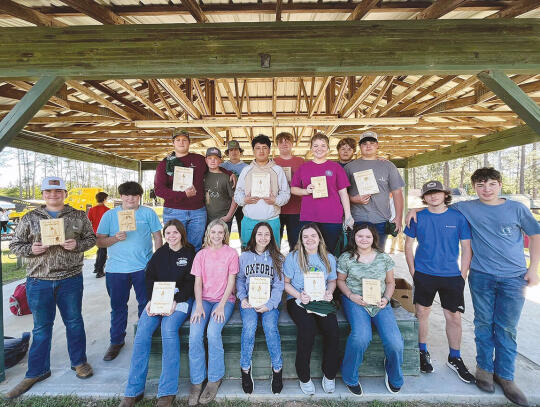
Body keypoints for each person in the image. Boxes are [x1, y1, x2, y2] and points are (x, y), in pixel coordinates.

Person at [406, 168, 540, 407]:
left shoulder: (510, 209)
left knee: (502, 326)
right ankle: (482, 369)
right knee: (481, 323)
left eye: (490, 184)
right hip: (472, 275)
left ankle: (500, 375)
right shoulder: (464, 208)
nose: (486, 189)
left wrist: (533, 268)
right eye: (480, 185)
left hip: (507, 276)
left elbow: (534, 235)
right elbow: (427, 219)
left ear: (499, 184)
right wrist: (413, 210)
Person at [7, 176, 96, 399]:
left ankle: (79, 362)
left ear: (65, 193)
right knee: (41, 328)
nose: (53, 195)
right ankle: (36, 371)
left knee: (74, 323)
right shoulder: (30, 218)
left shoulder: (78, 216)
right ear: (43, 193)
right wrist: (31, 249)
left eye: (58, 191)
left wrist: (78, 245)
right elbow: (15, 245)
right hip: (39, 280)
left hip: (70, 279)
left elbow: (91, 239)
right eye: (48, 192)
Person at [404, 181, 475, 383]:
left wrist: (462, 275)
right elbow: (408, 245)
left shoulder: (458, 217)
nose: (433, 196)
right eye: (429, 193)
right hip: (424, 274)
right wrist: (412, 270)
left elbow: (466, 248)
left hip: (452, 276)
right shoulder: (417, 217)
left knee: (453, 317)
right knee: (422, 313)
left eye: (437, 193)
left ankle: (455, 357)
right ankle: (422, 352)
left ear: (445, 195)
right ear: (424, 197)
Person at [119, 220, 195, 407]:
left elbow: (191, 283)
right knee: (143, 330)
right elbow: (149, 279)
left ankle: (167, 392)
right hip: (158, 299)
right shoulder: (159, 254)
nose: (171, 236)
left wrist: (176, 301)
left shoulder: (190, 253)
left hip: (181, 299)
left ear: (181, 234)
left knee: (168, 330)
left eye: (175, 233)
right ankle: (133, 390)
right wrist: (150, 301)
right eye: (167, 233)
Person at [96, 181, 163, 362]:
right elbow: (99, 241)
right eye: (127, 195)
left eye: (135, 195)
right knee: (118, 308)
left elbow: (158, 236)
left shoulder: (148, 213)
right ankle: (116, 341)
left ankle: (144, 339)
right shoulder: (110, 215)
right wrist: (115, 238)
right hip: (116, 270)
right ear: (121, 197)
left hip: (143, 268)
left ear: (139, 197)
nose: (131, 198)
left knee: (146, 305)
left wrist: (156, 261)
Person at [337, 223, 404, 395]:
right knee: (361, 337)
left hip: (380, 301)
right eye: (360, 236)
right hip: (355, 300)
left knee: (395, 341)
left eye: (368, 236)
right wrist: (351, 296)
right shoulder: (346, 257)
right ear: (354, 237)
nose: (364, 239)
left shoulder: (383, 257)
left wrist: (386, 299)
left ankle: (394, 375)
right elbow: (340, 281)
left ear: (374, 238)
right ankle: (350, 376)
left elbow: (390, 283)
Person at [283, 223, 339, 395]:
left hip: (321, 298)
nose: (309, 239)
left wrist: (330, 291)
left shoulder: (328, 258)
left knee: (333, 331)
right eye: (305, 236)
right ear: (300, 239)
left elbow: (332, 280)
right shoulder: (293, 257)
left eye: (313, 235)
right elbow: (286, 283)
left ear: (319, 238)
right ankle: (304, 376)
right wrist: (299, 296)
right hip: (299, 299)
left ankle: (329, 374)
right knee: (307, 330)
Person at [188, 219, 239, 406]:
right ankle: (196, 381)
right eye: (213, 232)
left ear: (225, 234)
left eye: (220, 232)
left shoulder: (231, 254)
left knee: (212, 332)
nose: (217, 236)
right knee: (194, 334)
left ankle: (214, 378)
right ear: (208, 234)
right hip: (203, 300)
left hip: (224, 300)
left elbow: (232, 282)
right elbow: (198, 282)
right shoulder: (201, 255)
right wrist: (199, 304)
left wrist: (221, 305)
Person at [237, 222, 285, 394]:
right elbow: (240, 280)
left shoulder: (278, 258)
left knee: (270, 327)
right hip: (249, 302)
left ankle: (277, 369)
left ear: (271, 237)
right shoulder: (244, 257)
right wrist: (242, 298)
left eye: (267, 234)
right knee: (249, 327)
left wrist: (270, 305)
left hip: (269, 303)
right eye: (260, 234)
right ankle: (245, 369)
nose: (263, 237)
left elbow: (279, 286)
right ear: (254, 236)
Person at [290, 132, 353, 254]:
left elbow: (343, 193)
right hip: (309, 216)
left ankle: (329, 273)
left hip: (332, 217)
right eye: (316, 145)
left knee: (330, 251)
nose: (319, 149)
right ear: (311, 148)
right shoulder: (304, 168)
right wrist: (305, 191)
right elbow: (293, 189)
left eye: (323, 145)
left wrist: (348, 215)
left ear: (328, 149)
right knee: (309, 250)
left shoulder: (336, 167)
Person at [345, 131, 405, 251]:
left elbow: (397, 192)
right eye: (364, 143)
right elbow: (341, 193)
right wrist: (353, 199)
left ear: (377, 145)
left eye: (372, 143)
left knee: (378, 258)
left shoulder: (388, 166)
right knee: (356, 257)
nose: (368, 146)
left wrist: (398, 217)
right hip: (357, 220)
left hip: (381, 221)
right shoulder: (350, 167)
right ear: (360, 147)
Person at [234, 134, 290, 248]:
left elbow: (286, 193)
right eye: (258, 148)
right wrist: (244, 200)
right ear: (253, 151)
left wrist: (276, 200)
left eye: (264, 148)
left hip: (272, 220)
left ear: (269, 150)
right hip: (249, 220)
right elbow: (237, 193)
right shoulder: (246, 170)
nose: (261, 151)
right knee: (248, 252)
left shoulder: (277, 170)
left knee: (273, 254)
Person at [274, 131, 304, 251]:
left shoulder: (300, 161)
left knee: (296, 244)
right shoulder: (273, 162)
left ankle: (295, 267)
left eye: (287, 141)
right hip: (277, 209)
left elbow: (306, 181)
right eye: (281, 142)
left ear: (292, 144)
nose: (284, 144)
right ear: (277, 145)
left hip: (296, 208)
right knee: (275, 243)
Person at [204, 147, 237, 231]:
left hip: (223, 218)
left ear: (220, 160)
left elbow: (235, 198)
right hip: (206, 218)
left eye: (216, 158)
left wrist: (228, 216)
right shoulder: (202, 176)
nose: (212, 161)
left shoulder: (227, 177)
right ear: (206, 160)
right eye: (210, 158)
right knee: (207, 242)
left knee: (223, 243)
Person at [221, 140, 249, 235]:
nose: (234, 152)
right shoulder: (222, 166)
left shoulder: (247, 167)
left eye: (236, 150)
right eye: (231, 150)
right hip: (226, 202)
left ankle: (245, 248)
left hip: (242, 203)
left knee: (244, 231)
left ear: (240, 152)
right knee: (225, 230)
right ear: (228, 153)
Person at [87, 191, 109, 278]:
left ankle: (96, 267)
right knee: (103, 252)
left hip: (95, 233)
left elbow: (88, 222)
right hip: (105, 234)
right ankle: (100, 271)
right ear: (104, 199)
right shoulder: (107, 210)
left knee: (100, 250)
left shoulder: (92, 210)